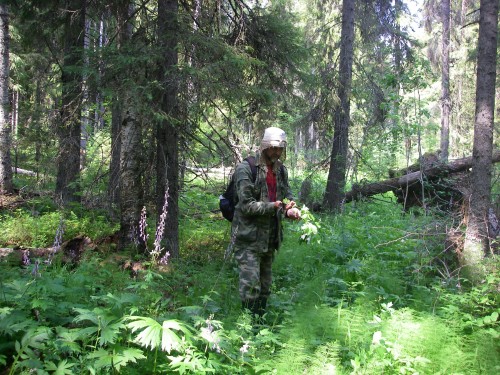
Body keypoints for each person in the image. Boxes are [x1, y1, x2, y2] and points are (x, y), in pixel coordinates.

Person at [231, 127, 301, 319]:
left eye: (280, 149)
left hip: (270, 238)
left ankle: (260, 325)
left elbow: (287, 196)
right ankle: (247, 329)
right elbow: (246, 206)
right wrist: (274, 206)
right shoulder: (246, 169)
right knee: (250, 286)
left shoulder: (281, 170)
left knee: (265, 286)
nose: (276, 152)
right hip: (249, 238)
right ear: (264, 146)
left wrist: (290, 209)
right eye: (273, 148)